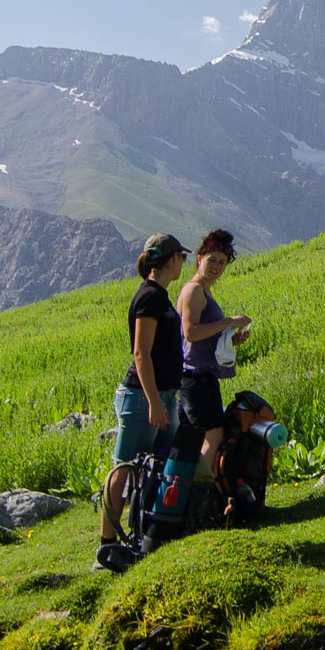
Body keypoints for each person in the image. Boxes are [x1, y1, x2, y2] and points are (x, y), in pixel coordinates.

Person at [98, 233, 190, 560]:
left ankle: (149, 531)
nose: (184, 263)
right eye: (182, 257)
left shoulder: (160, 295)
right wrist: (153, 401)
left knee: (161, 465)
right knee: (124, 466)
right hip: (142, 397)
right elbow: (141, 352)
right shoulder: (150, 298)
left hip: (163, 394)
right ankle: (107, 542)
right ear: (171, 260)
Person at [178, 228, 254, 472]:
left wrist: (230, 341)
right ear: (200, 258)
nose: (217, 267)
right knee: (214, 436)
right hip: (196, 377)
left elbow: (202, 338)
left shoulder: (204, 290)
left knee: (192, 438)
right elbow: (191, 332)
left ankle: (187, 496)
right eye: (212, 260)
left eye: (222, 262)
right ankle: (204, 493)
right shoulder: (194, 290)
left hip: (199, 376)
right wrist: (229, 322)